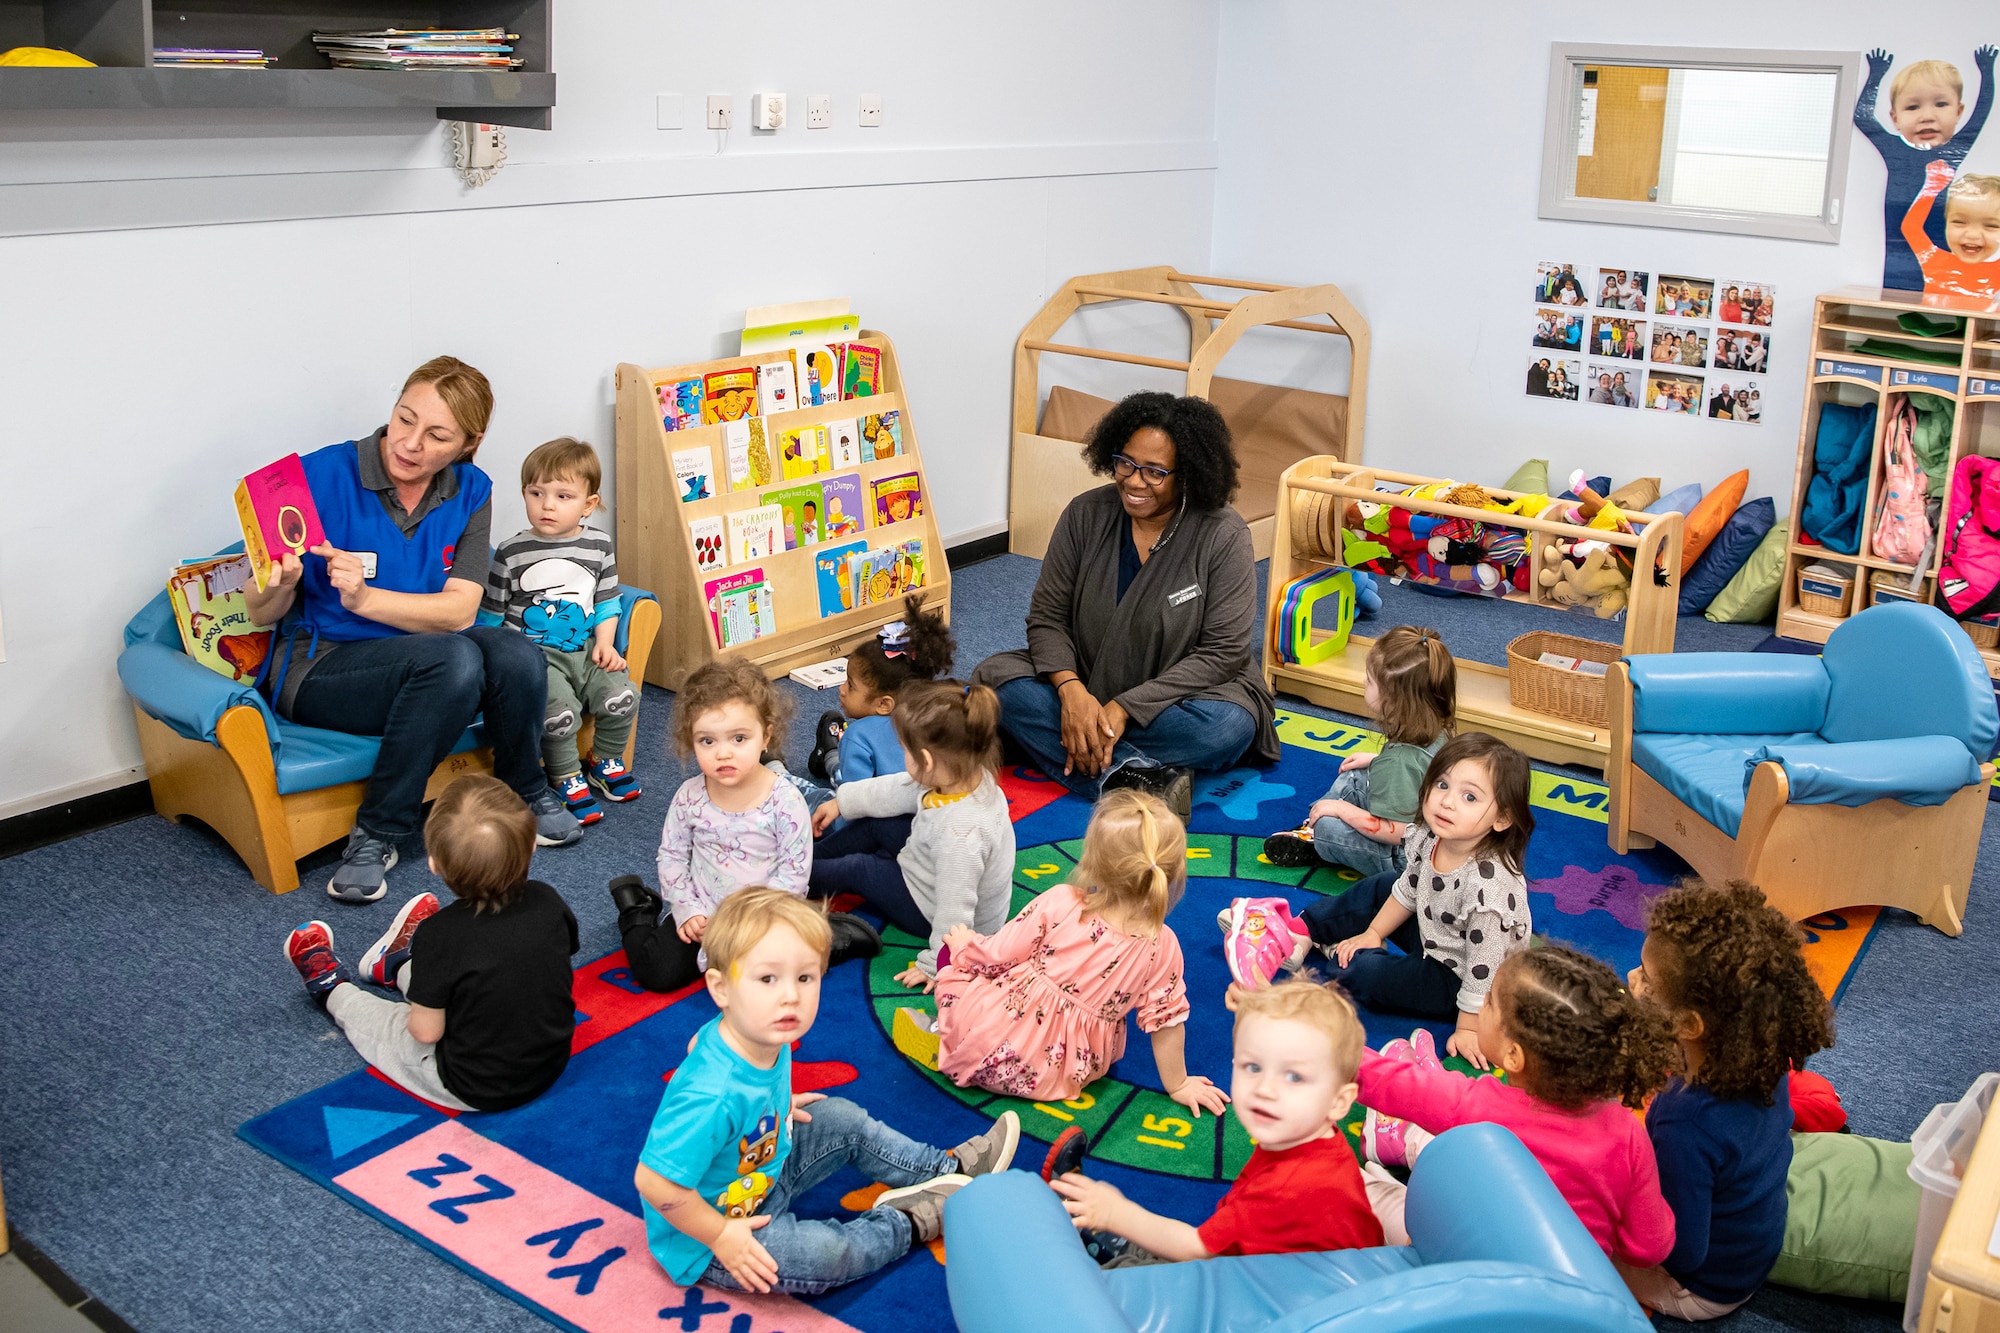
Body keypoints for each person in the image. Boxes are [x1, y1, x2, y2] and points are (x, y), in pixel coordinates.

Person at [243, 356, 580, 902]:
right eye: (404, 420)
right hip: (321, 666)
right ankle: (377, 831)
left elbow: (459, 612)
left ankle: (525, 791)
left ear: (468, 443)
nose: (410, 443)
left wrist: (366, 598)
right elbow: (260, 613)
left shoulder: (471, 489)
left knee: (513, 652)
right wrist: (282, 583)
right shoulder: (313, 476)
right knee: (454, 660)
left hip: (429, 655)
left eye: (436, 435)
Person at [633, 888, 1022, 1296]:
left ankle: (946, 1171)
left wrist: (778, 1107)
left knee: (839, 1117)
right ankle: (909, 1222)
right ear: (721, 989)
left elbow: (706, 1050)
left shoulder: (761, 1029)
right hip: (711, 1236)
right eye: (768, 978)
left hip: (764, 1170)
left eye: (805, 977)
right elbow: (655, 1182)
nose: (791, 996)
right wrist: (718, 1236)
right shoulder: (711, 1095)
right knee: (826, 1252)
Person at [972, 392, 1276, 815]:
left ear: (1187, 473)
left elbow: (1223, 653)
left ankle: (1087, 755)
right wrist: (1072, 691)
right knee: (995, 684)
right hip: (1087, 677)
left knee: (1227, 727)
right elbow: (1046, 619)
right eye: (1126, 463)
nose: (1134, 481)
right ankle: (1141, 779)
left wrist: (1125, 707)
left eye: (1155, 472)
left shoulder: (1224, 534)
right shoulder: (1085, 513)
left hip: (1182, 698)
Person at [1354, 946, 1678, 1264]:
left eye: (1490, 1001)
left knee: (1371, 1192)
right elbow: (1649, 1247)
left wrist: (1325, 1043)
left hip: (1470, 1278)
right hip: (1575, 1301)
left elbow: (1391, 1082)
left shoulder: (1477, 1108)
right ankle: (1402, 1138)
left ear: (1513, 1055)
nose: (1481, 1004)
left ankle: (1401, 1138)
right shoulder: (1628, 1133)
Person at [917, 789, 1230, 1112]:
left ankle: (948, 1033)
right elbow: (1167, 1020)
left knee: (956, 957)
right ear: (1172, 872)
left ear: (1093, 861)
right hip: (1068, 1072)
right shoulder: (1162, 944)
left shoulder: (1063, 901)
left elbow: (997, 954)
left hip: (993, 1043)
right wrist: (1178, 1083)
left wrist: (961, 946)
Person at [283, 775, 579, 1111]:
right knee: (466, 978)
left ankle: (330, 988)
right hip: (551, 1063)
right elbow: (533, 968)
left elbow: (425, 1034)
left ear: (434, 864)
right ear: (532, 845)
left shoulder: (441, 935)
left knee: (386, 1023)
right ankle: (398, 965)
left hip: (472, 1085)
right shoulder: (548, 900)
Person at [1050, 979, 1383, 1266]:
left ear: (1340, 1101)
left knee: (1139, 1275)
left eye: (1294, 1077)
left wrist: (1117, 1213)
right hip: (1295, 1271)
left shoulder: (1289, 1186)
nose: (1265, 1090)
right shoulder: (1311, 1136)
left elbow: (1198, 1249)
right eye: (1253, 1067)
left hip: (1280, 1301)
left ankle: (1111, 1254)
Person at [1624, 881, 1836, 1320]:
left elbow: (1679, 1252)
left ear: (1689, 1024)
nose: (1631, 978)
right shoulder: (1762, 1057)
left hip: (1702, 1287)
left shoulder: (1687, 1124)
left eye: (1645, 976)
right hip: (1752, 1250)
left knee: (1566, 1238)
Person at [609, 658, 874, 995]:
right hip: (706, 913)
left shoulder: (785, 800)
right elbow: (672, 857)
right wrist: (687, 909)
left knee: (781, 971)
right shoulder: (689, 797)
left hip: (766, 916)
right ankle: (637, 910)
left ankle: (832, 933)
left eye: (738, 738)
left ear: (766, 736)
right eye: (707, 741)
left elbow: (793, 872)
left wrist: (754, 924)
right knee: (658, 972)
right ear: (690, 739)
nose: (723, 754)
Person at [1290, 733, 1535, 1067]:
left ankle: (1337, 953)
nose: (1447, 802)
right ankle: (1304, 930)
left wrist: (1467, 1027)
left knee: (1364, 973)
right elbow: (1408, 889)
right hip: (1437, 932)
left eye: (1469, 797)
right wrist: (1374, 932)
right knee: (1384, 886)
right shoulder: (1433, 838)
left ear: (1502, 819)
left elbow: (1484, 964)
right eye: (1442, 785)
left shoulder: (1486, 888)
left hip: (1461, 978)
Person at [809, 680, 1014, 986]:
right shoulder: (961, 773)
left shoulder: (961, 837)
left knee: (861, 868)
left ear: (927, 761)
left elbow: (955, 910)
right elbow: (898, 788)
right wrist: (843, 802)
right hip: (931, 870)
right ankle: (806, 858)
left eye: (903, 749)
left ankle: (791, 878)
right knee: (876, 820)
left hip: (936, 912)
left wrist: (937, 965)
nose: (900, 754)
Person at [478, 437, 638, 828]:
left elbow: (606, 601)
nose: (547, 505)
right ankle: (565, 775)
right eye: (537, 493)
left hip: (586, 648)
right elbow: (491, 615)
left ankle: (604, 760)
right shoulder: (511, 551)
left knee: (623, 695)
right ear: (525, 494)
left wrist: (605, 644)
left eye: (563, 495)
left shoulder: (599, 544)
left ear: (588, 503)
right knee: (558, 714)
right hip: (535, 657)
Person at [1261, 626, 1454, 878]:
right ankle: (1313, 826)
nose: (1364, 681)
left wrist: (1343, 811)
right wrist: (1377, 760)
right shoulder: (1435, 726)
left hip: (1405, 861)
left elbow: (1398, 831)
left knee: (1329, 828)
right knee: (1356, 775)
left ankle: (1317, 837)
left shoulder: (1399, 761)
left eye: (1370, 679)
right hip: (1426, 829)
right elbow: (1424, 772)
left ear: (1394, 701)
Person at [1857, 48, 1997, 291]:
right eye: (1912, 108)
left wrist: (1986, 70)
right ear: (1895, 118)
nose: (1927, 117)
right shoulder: (1893, 150)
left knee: (1937, 293)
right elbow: (1863, 119)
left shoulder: (1955, 150)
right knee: (1897, 295)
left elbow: (1980, 115)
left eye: (1941, 104)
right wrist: (1875, 76)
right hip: (1897, 242)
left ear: (1958, 112)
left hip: (1938, 243)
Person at [806, 595, 953, 785]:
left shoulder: (857, 736)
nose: (841, 690)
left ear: (884, 704)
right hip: (927, 807)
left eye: (850, 686)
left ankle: (828, 757)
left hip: (879, 808)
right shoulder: (938, 720)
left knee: (814, 798)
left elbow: (854, 799)